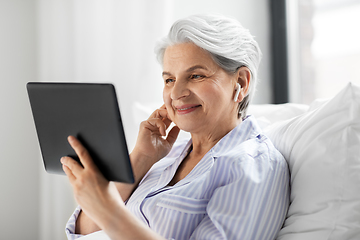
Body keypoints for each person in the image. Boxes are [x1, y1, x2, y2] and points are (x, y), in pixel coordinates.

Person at [61, 14, 290, 240]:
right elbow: (84, 231)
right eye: (169, 79)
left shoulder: (253, 166)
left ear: (240, 82)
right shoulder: (169, 155)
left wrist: (110, 213)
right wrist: (141, 157)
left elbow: (107, 218)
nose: (176, 93)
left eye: (196, 75)